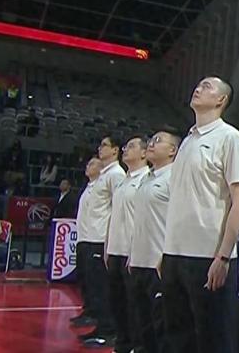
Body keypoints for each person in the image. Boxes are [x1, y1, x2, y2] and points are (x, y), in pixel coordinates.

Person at [162, 76, 239, 353]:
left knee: (213, 339)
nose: (198, 88)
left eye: (207, 86)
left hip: (208, 256)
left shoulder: (230, 138)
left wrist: (223, 256)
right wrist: (166, 251)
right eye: (198, 84)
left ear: (221, 100)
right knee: (178, 337)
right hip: (174, 253)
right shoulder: (187, 141)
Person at [128, 129, 181, 353]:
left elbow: (180, 219)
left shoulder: (175, 177)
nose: (151, 144)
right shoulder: (146, 178)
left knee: (162, 325)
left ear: (172, 150)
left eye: (158, 141)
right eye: (151, 140)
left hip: (159, 262)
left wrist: (167, 255)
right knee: (142, 323)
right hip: (139, 260)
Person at [75, 136, 126, 348]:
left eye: (105, 145)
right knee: (93, 285)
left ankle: (108, 330)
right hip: (89, 237)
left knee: (103, 288)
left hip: (100, 239)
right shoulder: (103, 176)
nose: (100, 148)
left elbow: (118, 206)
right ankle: (100, 325)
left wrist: (109, 238)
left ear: (115, 150)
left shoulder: (116, 174)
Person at [105, 136, 150, 353]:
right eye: (125, 146)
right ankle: (122, 344)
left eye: (131, 146)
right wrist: (107, 246)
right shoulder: (123, 181)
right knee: (117, 302)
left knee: (135, 306)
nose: (125, 150)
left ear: (144, 153)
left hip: (133, 252)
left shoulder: (146, 179)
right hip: (115, 249)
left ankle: (136, 346)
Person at [70, 157, 104, 329]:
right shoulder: (88, 188)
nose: (87, 166)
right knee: (84, 278)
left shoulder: (102, 186)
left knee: (94, 281)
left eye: (92, 164)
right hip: (83, 238)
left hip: (95, 239)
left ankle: (95, 314)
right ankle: (88, 310)